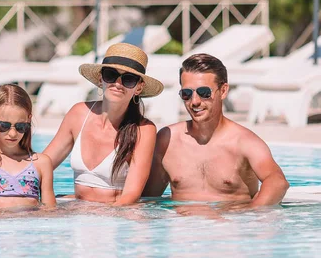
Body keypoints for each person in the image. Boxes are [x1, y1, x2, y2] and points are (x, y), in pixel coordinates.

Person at [142, 53, 289, 206]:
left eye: (204, 92)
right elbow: (149, 198)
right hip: (182, 226)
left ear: (224, 91)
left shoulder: (244, 141)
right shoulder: (168, 139)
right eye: (186, 94)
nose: (195, 101)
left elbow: (277, 182)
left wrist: (251, 214)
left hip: (229, 226)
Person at [44, 43, 163, 205]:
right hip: (78, 212)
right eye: (111, 75)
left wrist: (101, 216)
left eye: (128, 79)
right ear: (101, 79)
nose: (118, 83)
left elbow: (131, 196)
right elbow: (43, 165)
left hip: (115, 215)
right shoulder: (78, 114)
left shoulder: (143, 130)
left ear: (139, 88)